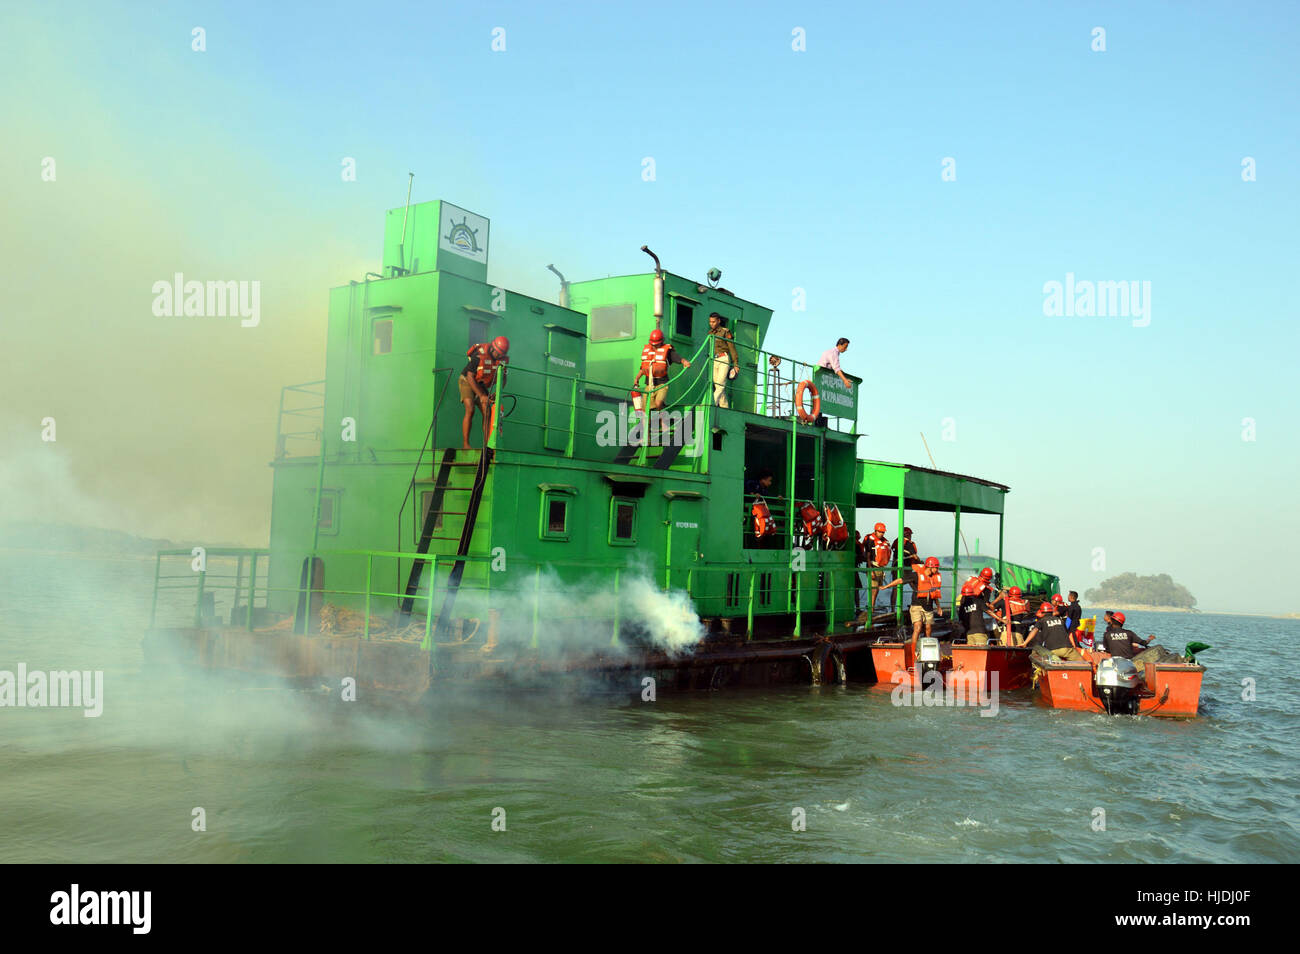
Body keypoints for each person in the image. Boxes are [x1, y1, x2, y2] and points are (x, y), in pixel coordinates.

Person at [878, 555, 945, 651]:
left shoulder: (934, 578)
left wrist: (938, 607)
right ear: (930, 567)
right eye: (936, 567)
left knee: (928, 628)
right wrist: (886, 586)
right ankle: (913, 651)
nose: (937, 570)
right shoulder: (916, 575)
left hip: (928, 607)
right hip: (916, 605)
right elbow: (900, 580)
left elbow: (935, 594)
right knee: (917, 628)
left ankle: (927, 649)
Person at [460, 336, 509, 449]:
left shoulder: (502, 360)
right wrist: (482, 396)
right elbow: (470, 376)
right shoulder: (479, 356)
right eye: (499, 353)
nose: (500, 356)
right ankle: (466, 444)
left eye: (502, 354)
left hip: (481, 384)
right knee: (470, 408)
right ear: (493, 348)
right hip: (467, 381)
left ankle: (487, 446)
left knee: (487, 412)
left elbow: (504, 378)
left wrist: (498, 391)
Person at [632, 328, 690, 415]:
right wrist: (637, 378)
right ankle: (646, 427)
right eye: (653, 344)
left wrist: (685, 362)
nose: (654, 346)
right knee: (645, 409)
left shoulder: (668, 351)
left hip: (662, 383)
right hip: (649, 384)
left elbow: (679, 358)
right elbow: (643, 368)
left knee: (658, 403)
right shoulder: (648, 351)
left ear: (662, 341)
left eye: (657, 344)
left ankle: (663, 421)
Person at [1100, 611, 1166, 671]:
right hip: (1128, 662)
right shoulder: (1129, 633)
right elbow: (1144, 643)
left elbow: (1107, 649)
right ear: (1122, 623)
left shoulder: (1107, 634)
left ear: (1112, 621)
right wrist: (1149, 639)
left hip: (1115, 661)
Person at [707, 313, 739, 408]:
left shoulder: (725, 332)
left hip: (723, 359)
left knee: (720, 385)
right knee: (718, 386)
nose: (711, 324)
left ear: (718, 321)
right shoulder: (710, 333)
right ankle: (725, 407)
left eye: (713, 322)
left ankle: (711, 404)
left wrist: (736, 364)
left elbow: (732, 348)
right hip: (714, 360)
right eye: (710, 322)